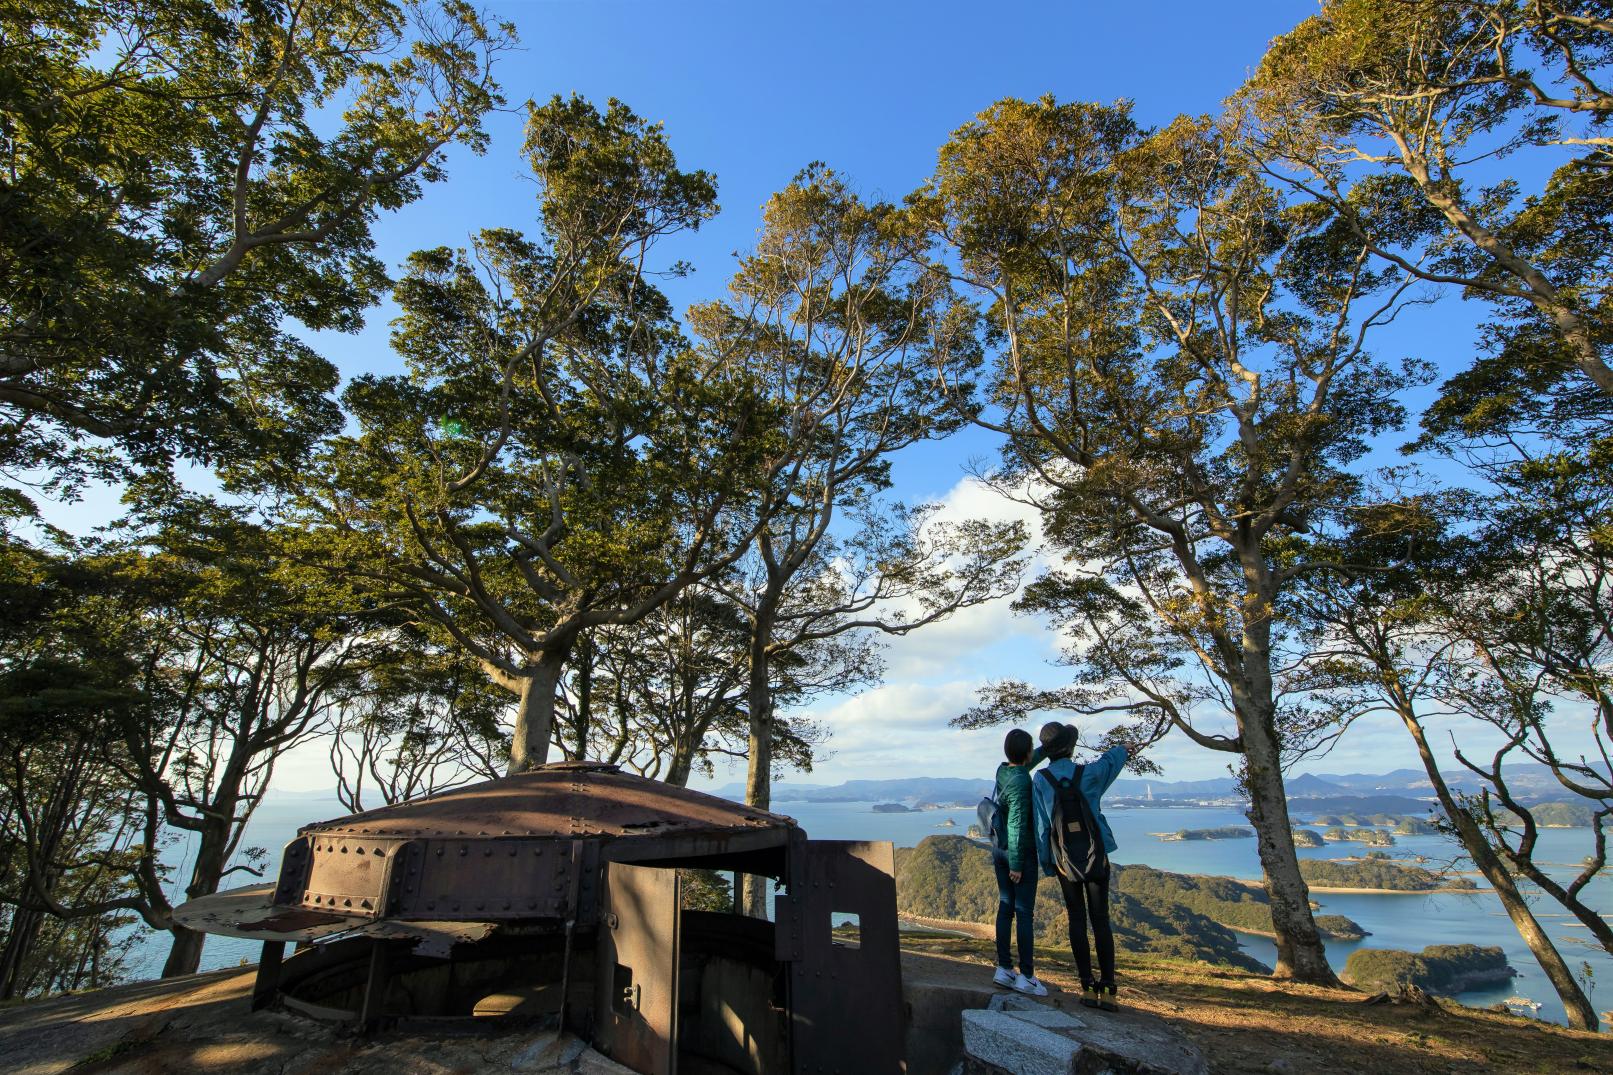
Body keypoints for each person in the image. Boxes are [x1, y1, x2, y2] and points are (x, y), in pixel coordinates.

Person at [1032, 721, 1127, 1011]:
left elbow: (1041, 828)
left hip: (1064, 862)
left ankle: (1086, 986)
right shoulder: (1090, 774)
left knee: (1076, 919)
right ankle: (1109, 989)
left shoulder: (1041, 779)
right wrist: (1123, 747)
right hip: (1096, 856)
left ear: (1047, 751)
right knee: (1101, 920)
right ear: (1071, 747)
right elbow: (1113, 759)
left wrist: (1048, 865)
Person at [991, 728, 1047, 996]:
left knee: (1005, 907)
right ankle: (1026, 976)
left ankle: (1003, 969)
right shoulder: (1024, 783)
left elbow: (1027, 764)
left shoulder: (1003, 771)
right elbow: (1017, 823)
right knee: (1024, 913)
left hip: (997, 848)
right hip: (1018, 853)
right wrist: (1017, 864)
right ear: (1026, 752)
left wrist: (1046, 748)